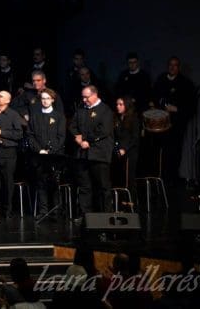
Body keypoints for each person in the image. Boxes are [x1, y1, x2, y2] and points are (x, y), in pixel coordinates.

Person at [69, 84, 114, 221]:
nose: (84, 100)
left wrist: (86, 139)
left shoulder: (105, 110)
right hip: (83, 154)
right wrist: (77, 138)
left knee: (102, 186)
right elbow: (72, 126)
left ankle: (106, 216)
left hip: (99, 154)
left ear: (95, 95)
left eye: (86, 97)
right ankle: (85, 215)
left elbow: (104, 130)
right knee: (84, 186)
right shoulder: (81, 109)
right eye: (83, 97)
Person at [26, 89, 67, 217]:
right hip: (39, 155)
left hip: (55, 155)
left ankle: (56, 210)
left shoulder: (59, 116)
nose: (45, 101)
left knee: (55, 183)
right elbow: (30, 135)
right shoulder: (35, 116)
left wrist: (51, 150)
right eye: (43, 98)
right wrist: (39, 150)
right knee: (41, 183)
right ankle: (43, 211)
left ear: (52, 100)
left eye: (48, 98)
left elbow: (61, 137)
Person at [113, 96, 140, 201]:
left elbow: (135, 138)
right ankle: (120, 200)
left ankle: (131, 201)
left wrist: (124, 149)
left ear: (127, 105)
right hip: (118, 151)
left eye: (121, 104)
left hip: (130, 152)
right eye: (117, 104)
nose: (118, 106)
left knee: (129, 177)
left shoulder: (133, 119)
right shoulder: (117, 118)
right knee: (119, 177)